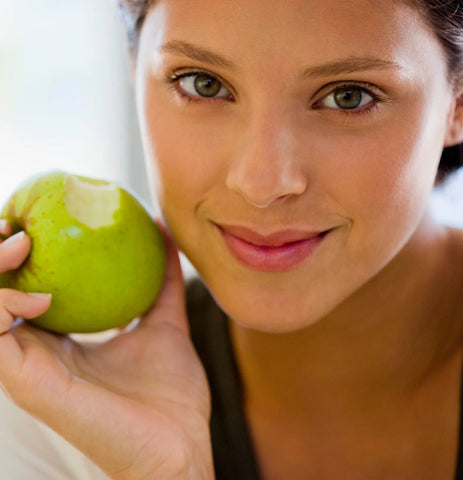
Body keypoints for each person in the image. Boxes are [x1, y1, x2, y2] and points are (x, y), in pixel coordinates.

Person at [1, 0, 463, 478]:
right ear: (133, 71)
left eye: (349, 96)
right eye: (204, 84)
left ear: (458, 104)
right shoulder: (54, 405)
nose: (261, 184)